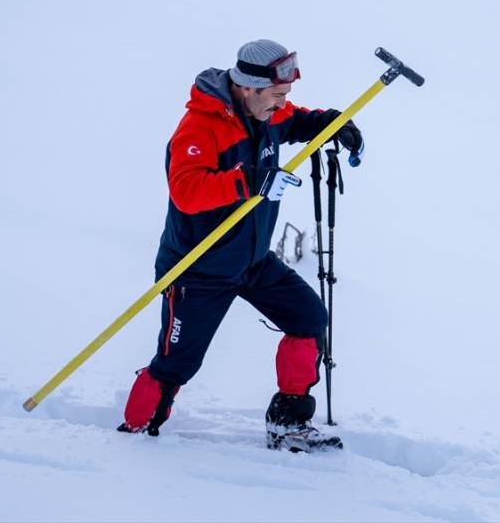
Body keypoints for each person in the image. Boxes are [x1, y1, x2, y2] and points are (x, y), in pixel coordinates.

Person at [117, 39, 363, 453]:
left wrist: (333, 124)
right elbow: (187, 192)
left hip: (251, 261)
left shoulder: (266, 112)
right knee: (178, 364)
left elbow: (295, 121)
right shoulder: (198, 128)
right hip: (198, 269)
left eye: (286, 95)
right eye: (277, 95)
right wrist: (250, 181)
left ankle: (287, 424)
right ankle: (133, 436)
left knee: (308, 318)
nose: (282, 103)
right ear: (248, 88)